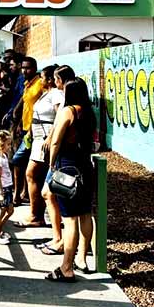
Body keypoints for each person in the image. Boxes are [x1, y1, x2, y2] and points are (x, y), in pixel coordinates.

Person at [45, 78, 96, 282]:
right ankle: (82, 260)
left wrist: (51, 163)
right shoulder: (89, 113)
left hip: (67, 165)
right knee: (85, 213)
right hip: (85, 165)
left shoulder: (68, 112)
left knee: (70, 218)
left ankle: (66, 267)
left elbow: (56, 140)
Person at [19, 64, 63, 228]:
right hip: (37, 138)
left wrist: (50, 136)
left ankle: (35, 214)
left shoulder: (56, 94)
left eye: (43, 77)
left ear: (50, 79)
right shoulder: (47, 94)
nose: (41, 80)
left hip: (45, 139)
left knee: (32, 173)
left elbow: (59, 116)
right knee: (35, 175)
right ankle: (37, 213)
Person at [39, 64, 76, 255]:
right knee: (50, 194)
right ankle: (58, 237)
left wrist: (52, 158)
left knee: (52, 194)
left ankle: (60, 240)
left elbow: (59, 124)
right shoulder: (68, 99)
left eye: (56, 78)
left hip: (63, 157)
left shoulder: (65, 99)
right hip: (64, 156)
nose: (54, 82)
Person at [8, 55, 39, 205]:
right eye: (23, 68)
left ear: (35, 68)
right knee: (23, 162)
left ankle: (18, 194)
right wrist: (19, 121)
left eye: (28, 68)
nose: (24, 71)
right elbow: (26, 105)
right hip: (25, 127)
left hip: (34, 130)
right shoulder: (28, 83)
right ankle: (22, 192)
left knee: (18, 160)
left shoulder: (40, 84)